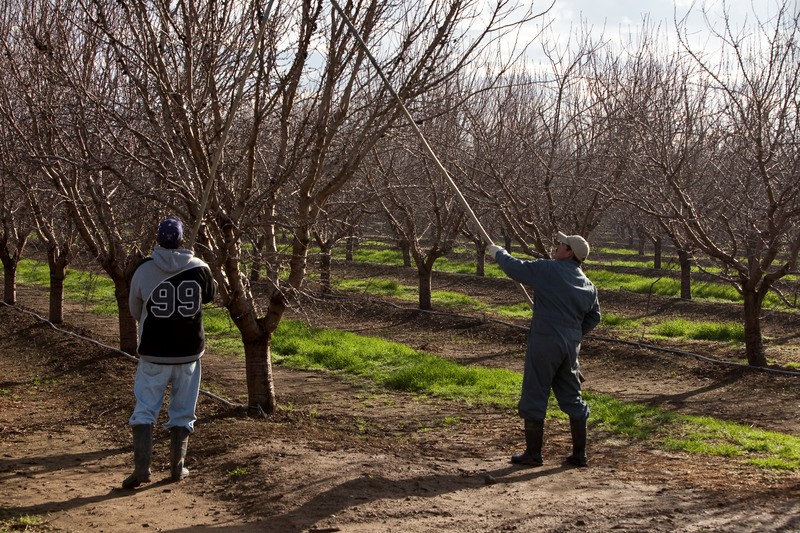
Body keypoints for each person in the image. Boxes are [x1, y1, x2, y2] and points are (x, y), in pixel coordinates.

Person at [487, 231, 600, 467]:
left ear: (569, 253)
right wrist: (574, 333)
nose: (557, 246)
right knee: (572, 396)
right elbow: (594, 317)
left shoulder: (549, 270)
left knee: (535, 392)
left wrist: (499, 253)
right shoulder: (589, 285)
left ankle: (533, 454)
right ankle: (580, 455)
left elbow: (517, 269)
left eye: (561, 244)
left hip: (545, 341)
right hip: (570, 347)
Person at [122, 217, 217, 489]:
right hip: (189, 354)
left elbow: (134, 308)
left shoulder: (144, 269)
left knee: (144, 410)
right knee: (183, 411)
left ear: (158, 239)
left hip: (154, 353)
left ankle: (141, 469)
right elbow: (210, 295)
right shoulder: (200, 268)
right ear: (182, 240)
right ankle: (178, 468)